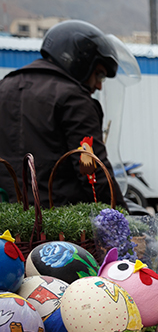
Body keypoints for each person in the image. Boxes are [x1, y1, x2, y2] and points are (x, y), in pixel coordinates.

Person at [0, 20, 126, 207]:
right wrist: (123, 218)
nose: (99, 85)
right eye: (99, 74)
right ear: (80, 61)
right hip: (59, 224)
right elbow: (92, 173)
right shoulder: (74, 99)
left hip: (8, 222)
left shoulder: (4, 87)